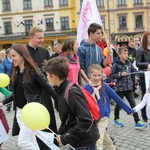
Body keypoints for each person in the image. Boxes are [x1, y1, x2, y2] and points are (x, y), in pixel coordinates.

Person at [0, 44, 58, 150]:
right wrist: (3, 102)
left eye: (14, 56)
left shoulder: (33, 70)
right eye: (10, 56)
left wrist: (62, 102)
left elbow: (48, 88)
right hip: (19, 112)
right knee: (32, 141)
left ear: (22, 55)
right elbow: (16, 94)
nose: (11, 59)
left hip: (31, 113)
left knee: (23, 142)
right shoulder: (16, 71)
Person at [43, 57, 99, 150]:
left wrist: (66, 137)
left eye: (47, 75)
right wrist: (61, 133)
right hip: (77, 140)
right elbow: (68, 118)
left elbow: (86, 120)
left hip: (84, 142)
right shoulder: (61, 90)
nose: (46, 78)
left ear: (53, 76)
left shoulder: (71, 92)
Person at [84, 64, 134, 150]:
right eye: (94, 75)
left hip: (103, 117)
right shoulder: (86, 87)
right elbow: (82, 102)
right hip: (92, 117)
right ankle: (112, 148)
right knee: (105, 136)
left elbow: (117, 98)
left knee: (98, 140)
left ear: (102, 75)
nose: (97, 78)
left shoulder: (105, 87)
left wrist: (128, 110)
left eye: (99, 75)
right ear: (89, 75)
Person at [26, 26, 58, 149]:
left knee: (49, 117)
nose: (41, 40)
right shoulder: (24, 51)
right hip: (31, 91)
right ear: (31, 37)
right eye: (39, 38)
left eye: (43, 38)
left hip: (45, 90)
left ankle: (52, 144)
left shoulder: (44, 52)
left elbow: (50, 70)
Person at [110, 47, 147, 129]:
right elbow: (112, 75)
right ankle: (116, 118)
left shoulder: (129, 63)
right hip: (120, 88)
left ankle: (137, 121)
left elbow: (134, 71)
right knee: (119, 104)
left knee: (133, 104)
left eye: (127, 53)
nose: (126, 55)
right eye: (124, 53)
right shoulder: (116, 65)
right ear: (119, 54)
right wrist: (120, 74)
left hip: (129, 88)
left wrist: (143, 72)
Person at [136, 31, 150, 122]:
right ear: (145, 39)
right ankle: (144, 114)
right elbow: (138, 63)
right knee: (146, 94)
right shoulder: (140, 50)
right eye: (149, 38)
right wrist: (147, 65)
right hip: (144, 76)